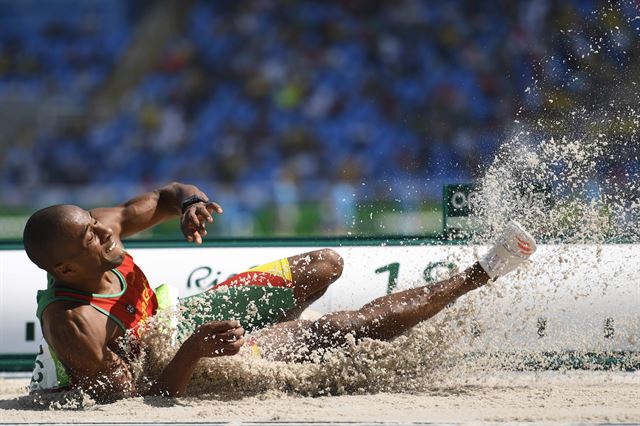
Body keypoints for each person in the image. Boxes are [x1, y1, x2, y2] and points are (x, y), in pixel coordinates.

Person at [23, 182, 536, 402]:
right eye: (91, 235)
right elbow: (137, 401)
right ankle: (482, 273)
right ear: (65, 267)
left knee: (323, 264)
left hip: (181, 321)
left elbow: (162, 195)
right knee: (338, 330)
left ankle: (277, 340)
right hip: (172, 365)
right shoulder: (73, 324)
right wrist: (193, 352)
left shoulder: (102, 231)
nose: (106, 231)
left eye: (96, 222)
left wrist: (191, 203)